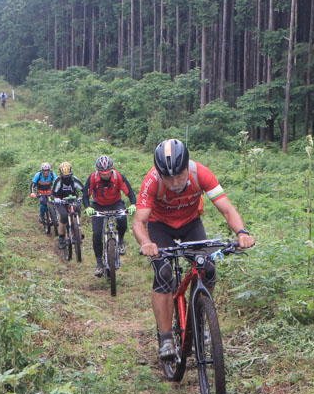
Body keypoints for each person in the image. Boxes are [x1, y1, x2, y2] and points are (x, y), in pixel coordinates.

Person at [133, 139, 255, 361]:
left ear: (187, 166)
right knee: (163, 274)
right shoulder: (151, 181)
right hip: (160, 227)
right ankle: (166, 337)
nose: (174, 182)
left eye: (179, 175)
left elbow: (227, 209)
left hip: (191, 224)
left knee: (207, 269)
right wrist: (146, 243)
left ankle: (199, 316)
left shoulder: (201, 174)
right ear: (159, 174)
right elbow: (139, 222)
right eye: (167, 177)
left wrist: (242, 232)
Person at [83, 155, 137, 278]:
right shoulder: (92, 178)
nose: (105, 175)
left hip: (115, 203)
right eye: (102, 173)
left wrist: (133, 204)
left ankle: (121, 240)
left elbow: (129, 192)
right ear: (98, 171)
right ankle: (99, 264)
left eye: (108, 173)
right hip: (98, 206)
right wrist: (88, 207)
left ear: (112, 169)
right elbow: (85, 195)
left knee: (122, 219)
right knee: (97, 234)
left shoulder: (118, 177)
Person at [50, 161, 85, 250]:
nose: (66, 178)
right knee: (64, 216)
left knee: (77, 210)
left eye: (68, 176)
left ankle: (78, 230)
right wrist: (56, 199)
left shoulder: (75, 180)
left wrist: (83, 197)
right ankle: (61, 238)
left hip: (73, 199)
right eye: (64, 176)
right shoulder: (58, 181)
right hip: (61, 201)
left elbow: (84, 190)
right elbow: (52, 194)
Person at [29, 162, 57, 233]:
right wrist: (32, 193)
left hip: (50, 193)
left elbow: (57, 182)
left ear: (49, 170)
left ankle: (55, 219)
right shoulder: (38, 175)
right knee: (44, 203)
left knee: (53, 203)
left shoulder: (52, 175)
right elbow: (32, 184)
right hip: (41, 193)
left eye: (47, 170)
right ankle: (41, 216)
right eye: (44, 170)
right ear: (42, 170)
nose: (46, 172)